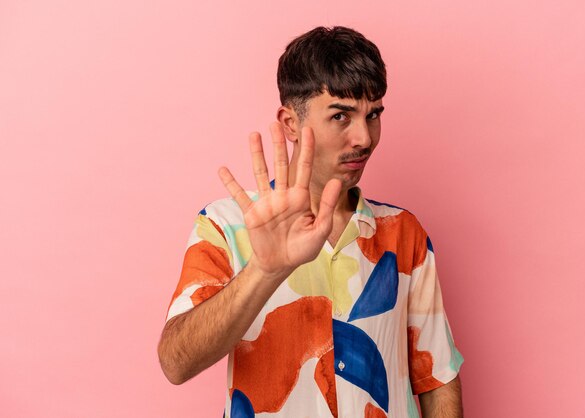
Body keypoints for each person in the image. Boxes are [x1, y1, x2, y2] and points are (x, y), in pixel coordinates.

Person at [158, 26, 464, 418]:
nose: (363, 138)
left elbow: (437, 375)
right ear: (289, 125)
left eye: (373, 115)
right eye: (341, 115)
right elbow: (175, 362)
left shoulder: (404, 233)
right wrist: (265, 271)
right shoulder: (225, 225)